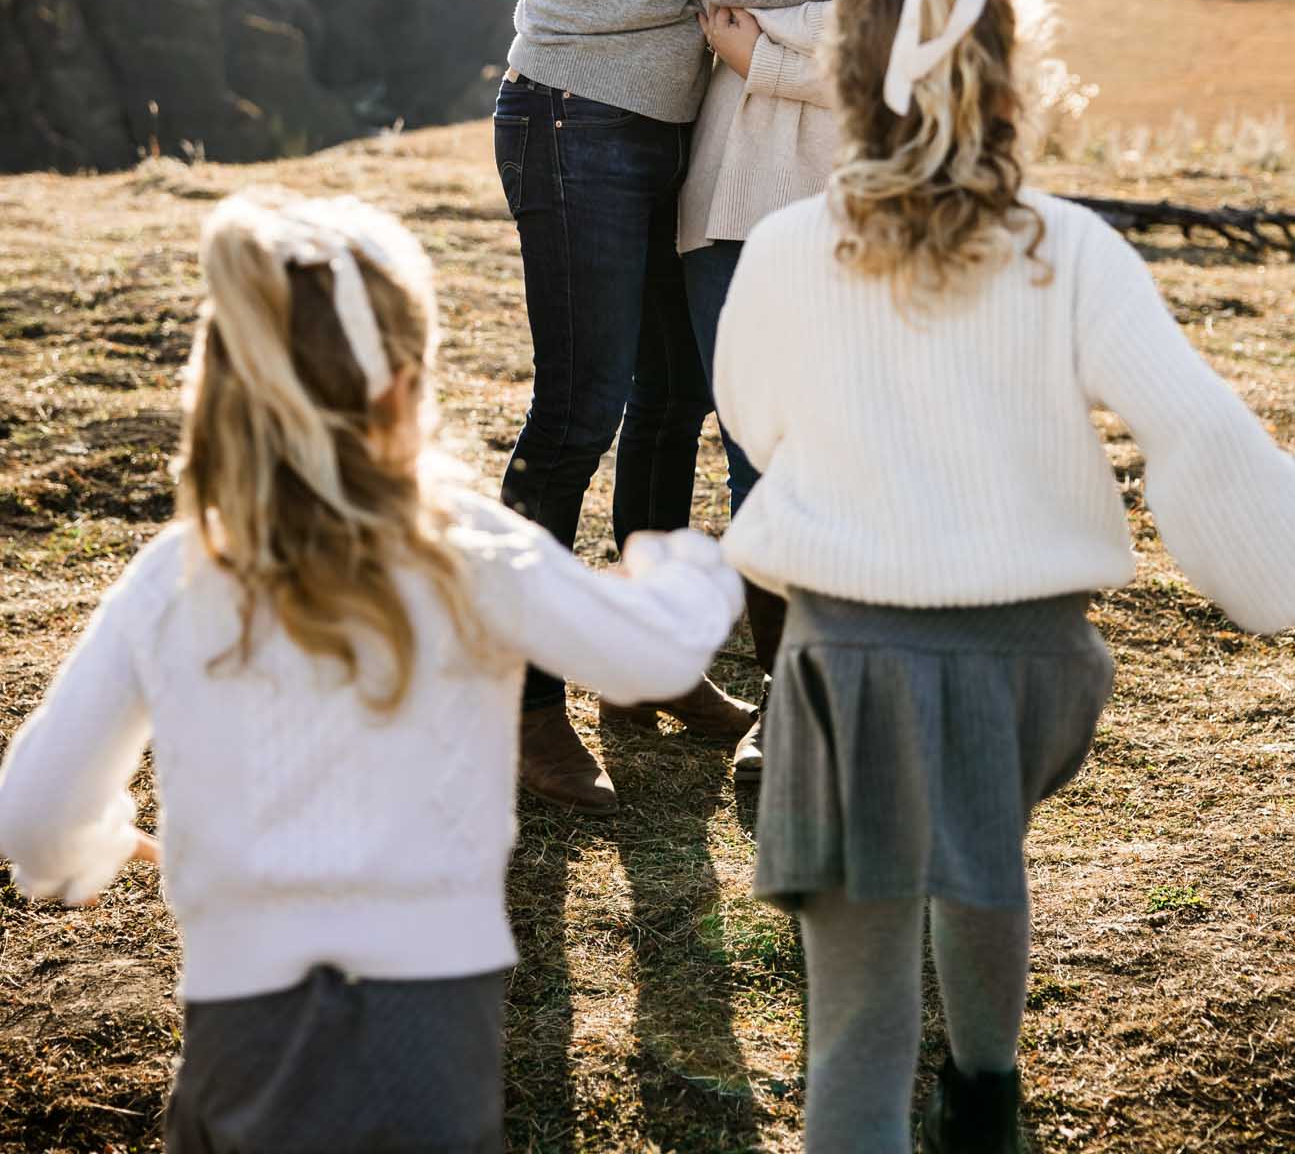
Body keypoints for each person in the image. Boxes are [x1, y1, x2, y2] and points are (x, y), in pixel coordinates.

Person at [713, 0, 1295, 1154]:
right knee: (979, 847)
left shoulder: (790, 248)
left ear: (846, 78)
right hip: (1027, 664)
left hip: (852, 662)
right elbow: (1199, 431)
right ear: (1011, 82)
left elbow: (756, 420)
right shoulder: (1069, 247)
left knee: (857, 1002)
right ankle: (986, 1092)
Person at [0, 190, 741, 1154]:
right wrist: (689, 571)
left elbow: (29, 812)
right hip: (430, 1038)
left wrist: (84, 848)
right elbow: (653, 655)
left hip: (243, 1035)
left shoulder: (175, 575)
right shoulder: (466, 549)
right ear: (402, 388)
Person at [497, 0, 1040, 813]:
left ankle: (645, 666)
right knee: (582, 405)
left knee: (677, 395)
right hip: (582, 109)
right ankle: (518, 703)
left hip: (675, 126)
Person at [679, 0, 997, 776]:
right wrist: (809, 23)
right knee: (760, 470)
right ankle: (789, 707)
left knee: (850, 462)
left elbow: (911, 45)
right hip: (723, 212)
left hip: (850, 221)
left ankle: (877, 690)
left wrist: (766, 51)